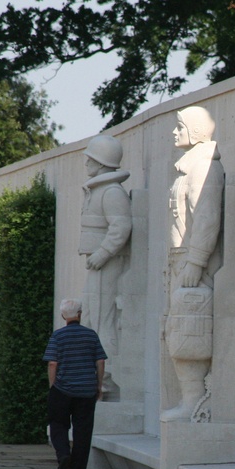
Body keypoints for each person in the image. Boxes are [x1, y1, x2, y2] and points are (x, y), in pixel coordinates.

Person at [162, 106, 225, 422]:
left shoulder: (204, 168)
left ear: (197, 130)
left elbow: (206, 218)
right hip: (180, 261)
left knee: (190, 329)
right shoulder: (189, 167)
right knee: (177, 330)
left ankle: (195, 402)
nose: (175, 132)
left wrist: (196, 262)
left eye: (180, 126)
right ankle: (189, 398)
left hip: (193, 265)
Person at [79, 135, 132, 399]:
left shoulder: (112, 192)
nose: (86, 162)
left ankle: (106, 380)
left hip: (106, 265)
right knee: (90, 320)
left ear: (101, 162)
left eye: (90, 158)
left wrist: (102, 253)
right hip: (96, 265)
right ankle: (95, 377)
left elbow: (121, 227)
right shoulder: (100, 190)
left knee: (103, 321)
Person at [43, 298, 107, 469]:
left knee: (58, 425)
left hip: (62, 389)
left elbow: (52, 363)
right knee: (83, 431)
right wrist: (98, 385)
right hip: (86, 390)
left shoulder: (58, 336)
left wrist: (53, 385)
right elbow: (100, 361)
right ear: (80, 314)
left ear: (63, 316)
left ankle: (64, 454)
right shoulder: (91, 335)